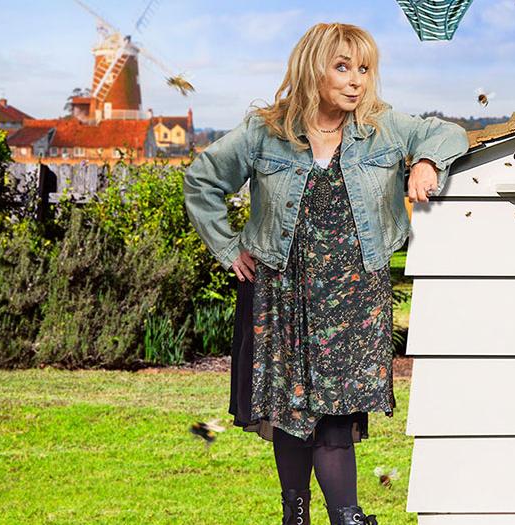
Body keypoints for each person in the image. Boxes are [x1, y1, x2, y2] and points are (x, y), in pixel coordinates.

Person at [183, 22, 468, 525]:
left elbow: (448, 132)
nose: (356, 81)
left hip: (354, 300)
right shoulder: (265, 131)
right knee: (291, 412)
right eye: (342, 67)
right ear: (313, 67)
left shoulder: (382, 126)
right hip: (281, 295)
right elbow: (202, 179)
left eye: (363, 69)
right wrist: (228, 248)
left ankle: (347, 517)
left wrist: (425, 159)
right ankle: (296, 515)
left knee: (335, 417)